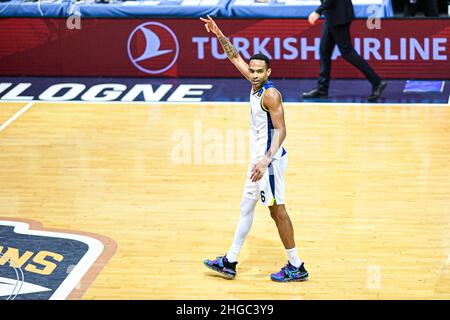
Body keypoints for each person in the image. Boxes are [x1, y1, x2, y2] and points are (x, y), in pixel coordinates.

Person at [200, 15, 308, 282]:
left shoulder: (270, 95)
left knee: (277, 210)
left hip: (268, 163)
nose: (255, 74)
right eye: (253, 70)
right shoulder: (253, 82)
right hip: (258, 162)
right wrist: (218, 33)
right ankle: (230, 261)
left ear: (268, 72)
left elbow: (282, 131)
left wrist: (265, 161)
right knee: (246, 207)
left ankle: (297, 266)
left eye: (260, 71)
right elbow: (233, 55)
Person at [303, 0, 387, 102]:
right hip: (332, 14)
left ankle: (376, 82)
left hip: (338, 15)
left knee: (347, 52)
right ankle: (322, 89)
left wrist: (318, 11)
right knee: (324, 51)